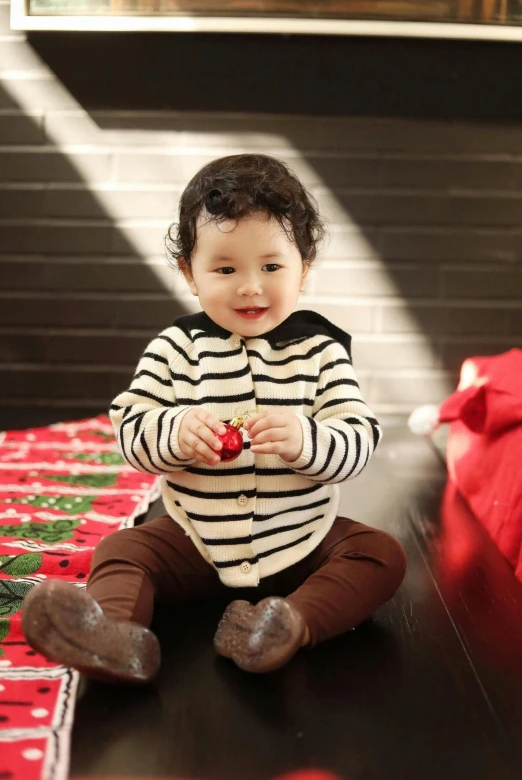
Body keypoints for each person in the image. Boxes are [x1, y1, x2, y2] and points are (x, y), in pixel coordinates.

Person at [22, 153, 407, 685]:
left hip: (298, 538)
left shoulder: (320, 353)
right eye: (225, 269)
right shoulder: (176, 349)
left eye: (272, 267)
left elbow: (359, 439)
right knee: (121, 550)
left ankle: (288, 624)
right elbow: (132, 430)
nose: (250, 286)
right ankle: (113, 636)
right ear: (190, 274)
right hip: (196, 539)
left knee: (378, 553)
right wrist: (177, 433)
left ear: (304, 270)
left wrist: (307, 439)